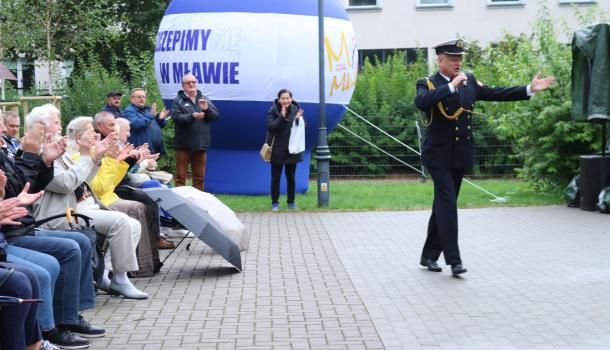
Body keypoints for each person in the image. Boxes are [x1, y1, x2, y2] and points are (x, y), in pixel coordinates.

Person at [415, 39, 555, 275]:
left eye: (460, 58)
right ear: (440, 60)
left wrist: (529, 89)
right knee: (447, 202)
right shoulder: (427, 83)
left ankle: (428, 255)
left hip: (459, 155)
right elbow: (421, 102)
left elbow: (495, 93)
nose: (458, 62)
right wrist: (450, 86)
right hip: (437, 156)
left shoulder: (470, 81)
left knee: (443, 204)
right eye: (452, 58)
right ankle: (454, 260)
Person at [30, 112, 147, 300]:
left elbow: (86, 182)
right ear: (39, 127)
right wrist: (92, 157)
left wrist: (99, 158)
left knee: (131, 223)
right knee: (122, 221)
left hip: (77, 208)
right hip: (66, 213)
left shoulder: (62, 154)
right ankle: (116, 278)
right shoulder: (44, 155)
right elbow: (66, 183)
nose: (61, 126)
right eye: (56, 122)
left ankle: (109, 274)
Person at [95, 112, 174, 251]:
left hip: (117, 183)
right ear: (98, 127)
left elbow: (119, 171)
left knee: (156, 190)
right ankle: (157, 236)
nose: (114, 128)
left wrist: (135, 159)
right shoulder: (101, 145)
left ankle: (162, 231)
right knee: (150, 197)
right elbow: (107, 175)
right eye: (111, 125)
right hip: (112, 188)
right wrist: (135, 161)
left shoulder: (113, 143)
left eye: (115, 125)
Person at [170, 73, 220, 191]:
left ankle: (198, 204)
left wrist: (206, 110)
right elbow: (176, 118)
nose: (191, 84)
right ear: (183, 86)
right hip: (183, 145)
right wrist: (192, 116)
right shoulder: (178, 100)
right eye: (188, 82)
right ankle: (180, 200)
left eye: (193, 82)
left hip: (200, 145)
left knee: (199, 178)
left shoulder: (204, 98)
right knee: (180, 178)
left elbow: (216, 116)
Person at [266, 89, 304, 211]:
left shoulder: (296, 109)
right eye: (283, 98)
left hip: (292, 150)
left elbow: (302, 127)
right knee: (276, 178)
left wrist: (298, 119)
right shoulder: (272, 111)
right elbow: (272, 128)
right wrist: (282, 116)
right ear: (279, 99)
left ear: (291, 99)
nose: (286, 101)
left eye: (288, 98)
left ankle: (291, 202)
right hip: (277, 149)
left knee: (291, 177)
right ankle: (275, 203)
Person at [121, 88, 168, 155]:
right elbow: (136, 124)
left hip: (154, 150)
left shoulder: (148, 110)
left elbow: (160, 125)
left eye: (144, 97)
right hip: (140, 151)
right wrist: (151, 116)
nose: (142, 99)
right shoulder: (128, 111)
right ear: (132, 99)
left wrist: (161, 119)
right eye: (139, 97)